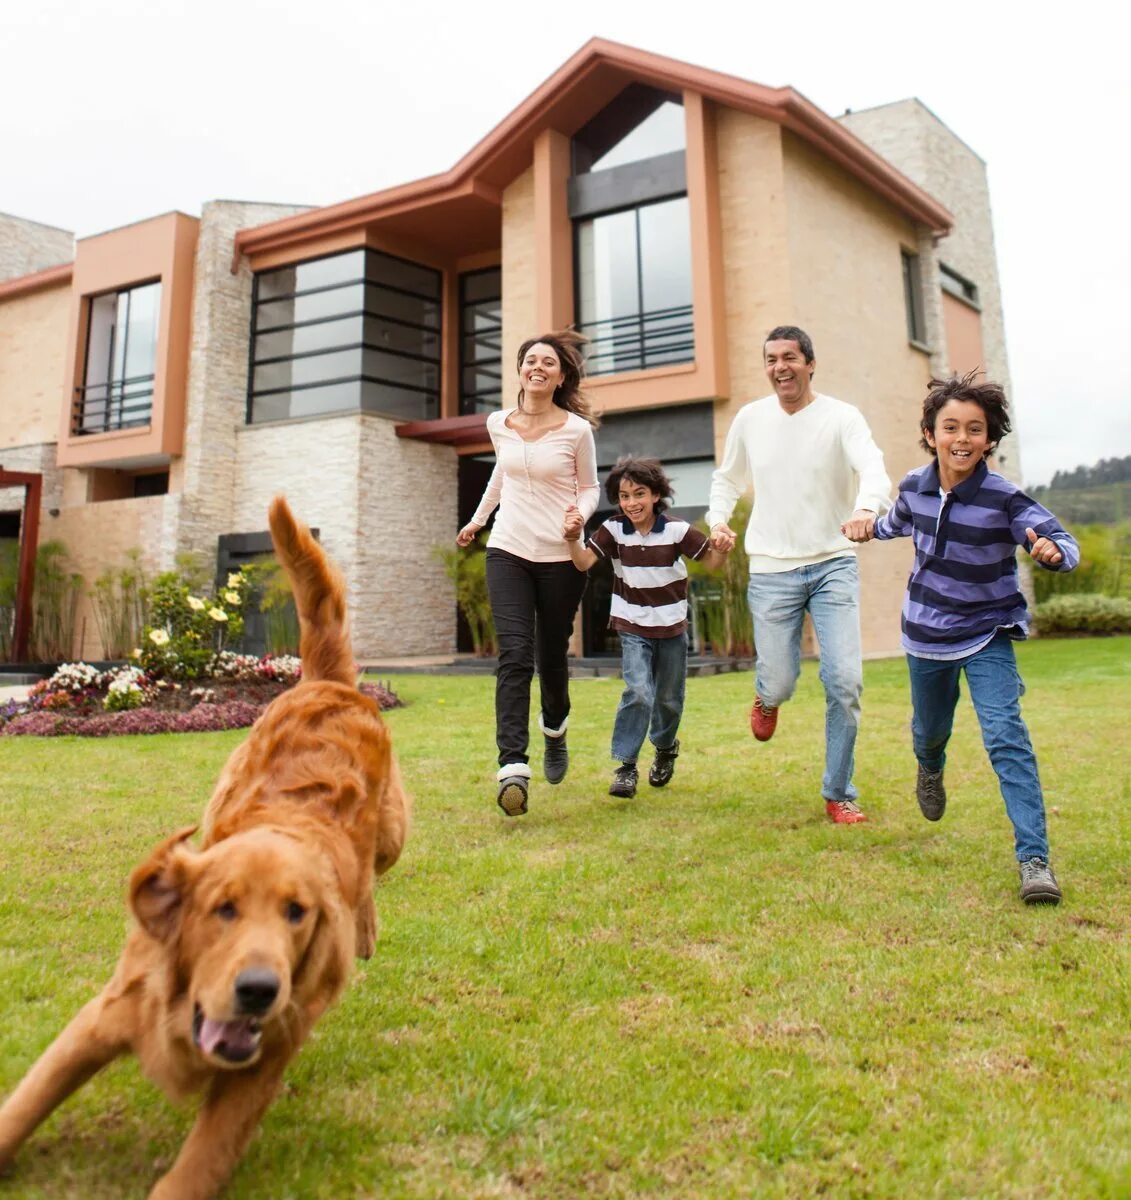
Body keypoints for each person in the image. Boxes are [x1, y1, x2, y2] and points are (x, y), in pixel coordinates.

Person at [843, 372, 1079, 903]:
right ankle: (930, 768)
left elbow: (1059, 537)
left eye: (975, 428)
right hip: (926, 633)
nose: (962, 438)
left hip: (987, 631)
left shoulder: (1004, 498)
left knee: (1006, 737)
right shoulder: (915, 486)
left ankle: (1034, 860)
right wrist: (865, 527)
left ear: (990, 439)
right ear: (931, 433)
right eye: (951, 427)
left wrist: (1055, 553)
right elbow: (895, 523)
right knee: (929, 732)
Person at [706, 325, 891, 824]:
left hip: (833, 561)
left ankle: (838, 792)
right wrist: (718, 521)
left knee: (845, 681)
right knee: (783, 680)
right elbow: (727, 479)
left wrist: (865, 509)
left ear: (810, 363)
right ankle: (768, 698)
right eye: (770, 359)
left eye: (789, 357)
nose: (779, 366)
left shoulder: (841, 417)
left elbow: (873, 467)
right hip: (771, 568)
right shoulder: (750, 418)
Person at [457, 331, 600, 817]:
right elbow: (502, 474)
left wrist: (579, 515)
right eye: (531, 360)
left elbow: (590, 487)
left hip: (560, 557)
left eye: (549, 363)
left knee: (550, 656)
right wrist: (478, 521)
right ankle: (512, 766)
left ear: (561, 377)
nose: (538, 367)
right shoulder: (499, 423)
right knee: (515, 654)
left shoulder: (576, 430)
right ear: (520, 370)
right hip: (508, 549)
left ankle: (554, 730)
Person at [563, 457, 729, 798]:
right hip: (632, 623)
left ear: (656, 495)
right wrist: (570, 538)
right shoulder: (612, 530)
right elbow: (582, 562)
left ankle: (665, 748)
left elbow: (712, 564)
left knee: (668, 699)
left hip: (671, 625)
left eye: (639, 494)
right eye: (624, 496)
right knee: (638, 691)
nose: (631, 503)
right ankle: (626, 767)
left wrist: (723, 549)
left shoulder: (676, 530)